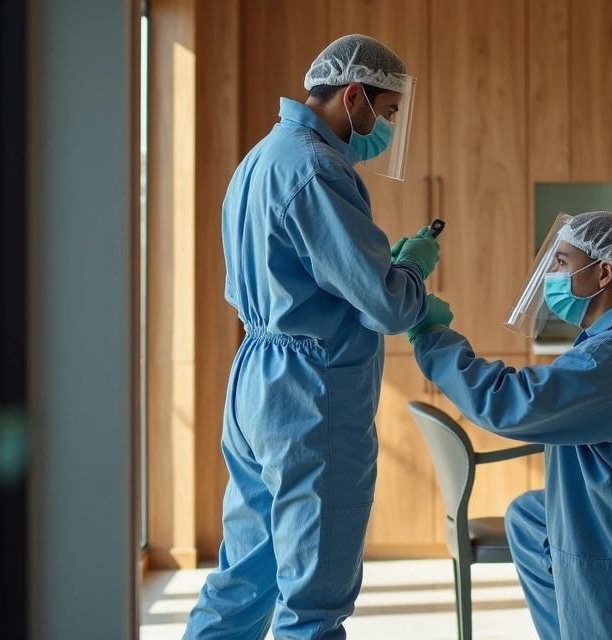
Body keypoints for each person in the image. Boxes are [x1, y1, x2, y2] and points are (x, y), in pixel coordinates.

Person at [183, 35, 439, 639]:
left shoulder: (262, 158)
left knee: (244, 576)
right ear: (354, 97)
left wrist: (383, 266)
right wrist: (413, 273)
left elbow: (301, 271)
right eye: (389, 111)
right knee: (314, 599)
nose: (388, 127)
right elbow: (386, 305)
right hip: (310, 393)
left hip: (255, 378)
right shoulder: (317, 168)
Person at [407, 211, 612, 640]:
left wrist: (432, 333)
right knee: (527, 517)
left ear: (604, 273)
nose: (549, 276)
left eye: (560, 262)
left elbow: (508, 403)